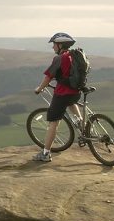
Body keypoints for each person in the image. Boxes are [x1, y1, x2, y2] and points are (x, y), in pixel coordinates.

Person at [31, 32, 82, 162]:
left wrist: (40, 88)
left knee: (53, 123)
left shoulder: (59, 58)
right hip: (76, 91)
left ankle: (46, 154)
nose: (53, 47)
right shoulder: (75, 55)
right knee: (71, 102)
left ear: (60, 45)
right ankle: (82, 126)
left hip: (62, 94)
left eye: (54, 44)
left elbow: (49, 76)